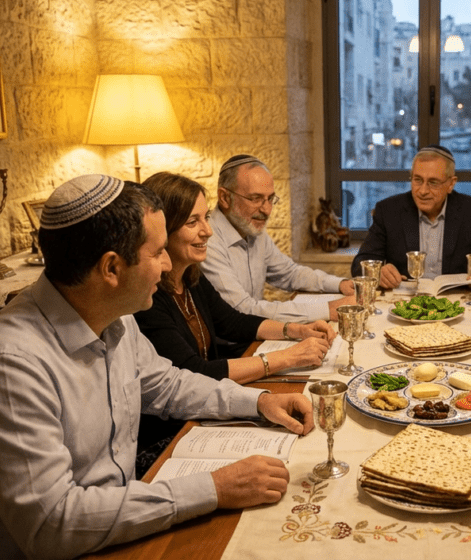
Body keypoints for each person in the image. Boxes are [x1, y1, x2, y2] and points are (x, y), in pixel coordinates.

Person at [0, 175, 314, 559]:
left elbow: (166, 385)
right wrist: (214, 488)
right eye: (157, 253)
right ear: (112, 269)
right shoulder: (7, 365)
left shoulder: (113, 315)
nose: (168, 264)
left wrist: (258, 402)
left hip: (114, 527)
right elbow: (53, 524)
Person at [135, 172, 335, 472]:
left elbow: (233, 321)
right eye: (194, 222)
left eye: (206, 218)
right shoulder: (146, 299)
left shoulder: (190, 276)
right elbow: (195, 372)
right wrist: (287, 356)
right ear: (163, 230)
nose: (208, 231)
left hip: (205, 413)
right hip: (171, 436)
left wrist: (295, 330)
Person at [201, 154, 356, 322]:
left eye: (270, 199)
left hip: (255, 332)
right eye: (256, 199)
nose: (267, 210)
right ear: (225, 198)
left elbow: (289, 274)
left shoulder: (250, 227)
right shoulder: (207, 241)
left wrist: (340, 284)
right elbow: (242, 309)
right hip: (231, 344)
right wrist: (327, 309)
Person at [350, 145, 471, 288]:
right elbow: (360, 263)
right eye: (417, 180)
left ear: (451, 184)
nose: (422, 191)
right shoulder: (388, 210)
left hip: (456, 305)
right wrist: (378, 272)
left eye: (433, 182)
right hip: (404, 304)